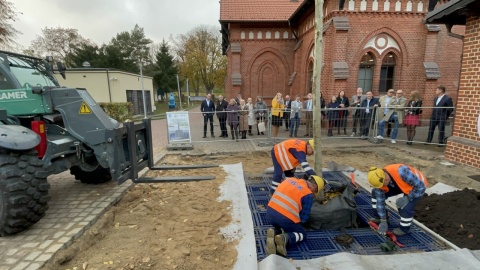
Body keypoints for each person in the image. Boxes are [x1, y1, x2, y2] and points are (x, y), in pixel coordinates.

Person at [266, 175, 325, 256]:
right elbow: (303, 218)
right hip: (284, 219)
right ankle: (285, 238)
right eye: (315, 191)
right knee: (302, 234)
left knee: (282, 225)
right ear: (314, 186)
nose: (313, 193)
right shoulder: (308, 194)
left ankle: (274, 231)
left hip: (270, 213)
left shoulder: (289, 180)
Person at [367, 164, 428, 236]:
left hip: (417, 186)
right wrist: (383, 220)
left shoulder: (402, 172)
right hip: (398, 183)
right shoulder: (380, 180)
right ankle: (379, 217)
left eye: (382, 185)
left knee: (405, 206)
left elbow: (421, 187)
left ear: (385, 179)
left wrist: (409, 198)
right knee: (376, 194)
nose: (382, 187)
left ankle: (405, 229)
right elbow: (380, 201)